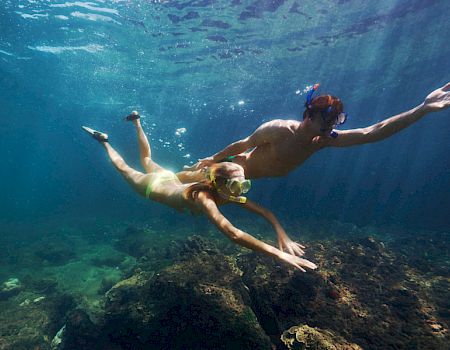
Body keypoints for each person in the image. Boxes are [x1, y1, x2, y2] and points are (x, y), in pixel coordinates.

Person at [82, 112, 317, 272]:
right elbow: (233, 233)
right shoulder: (204, 197)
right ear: (220, 184)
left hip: (170, 179)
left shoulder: (224, 191)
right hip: (153, 186)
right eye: (237, 186)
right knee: (124, 168)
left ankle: (137, 121)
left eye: (245, 185)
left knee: (146, 159)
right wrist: (279, 254)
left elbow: (265, 212)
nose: (241, 191)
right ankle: (103, 141)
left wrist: (282, 234)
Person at [179, 82, 450, 180]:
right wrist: (214, 159)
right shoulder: (278, 129)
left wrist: (422, 109)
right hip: (235, 170)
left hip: (250, 180)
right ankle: (164, 174)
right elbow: (244, 143)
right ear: (309, 116)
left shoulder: (323, 140)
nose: (331, 127)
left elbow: (372, 132)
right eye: (327, 121)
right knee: (187, 181)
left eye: (335, 122)